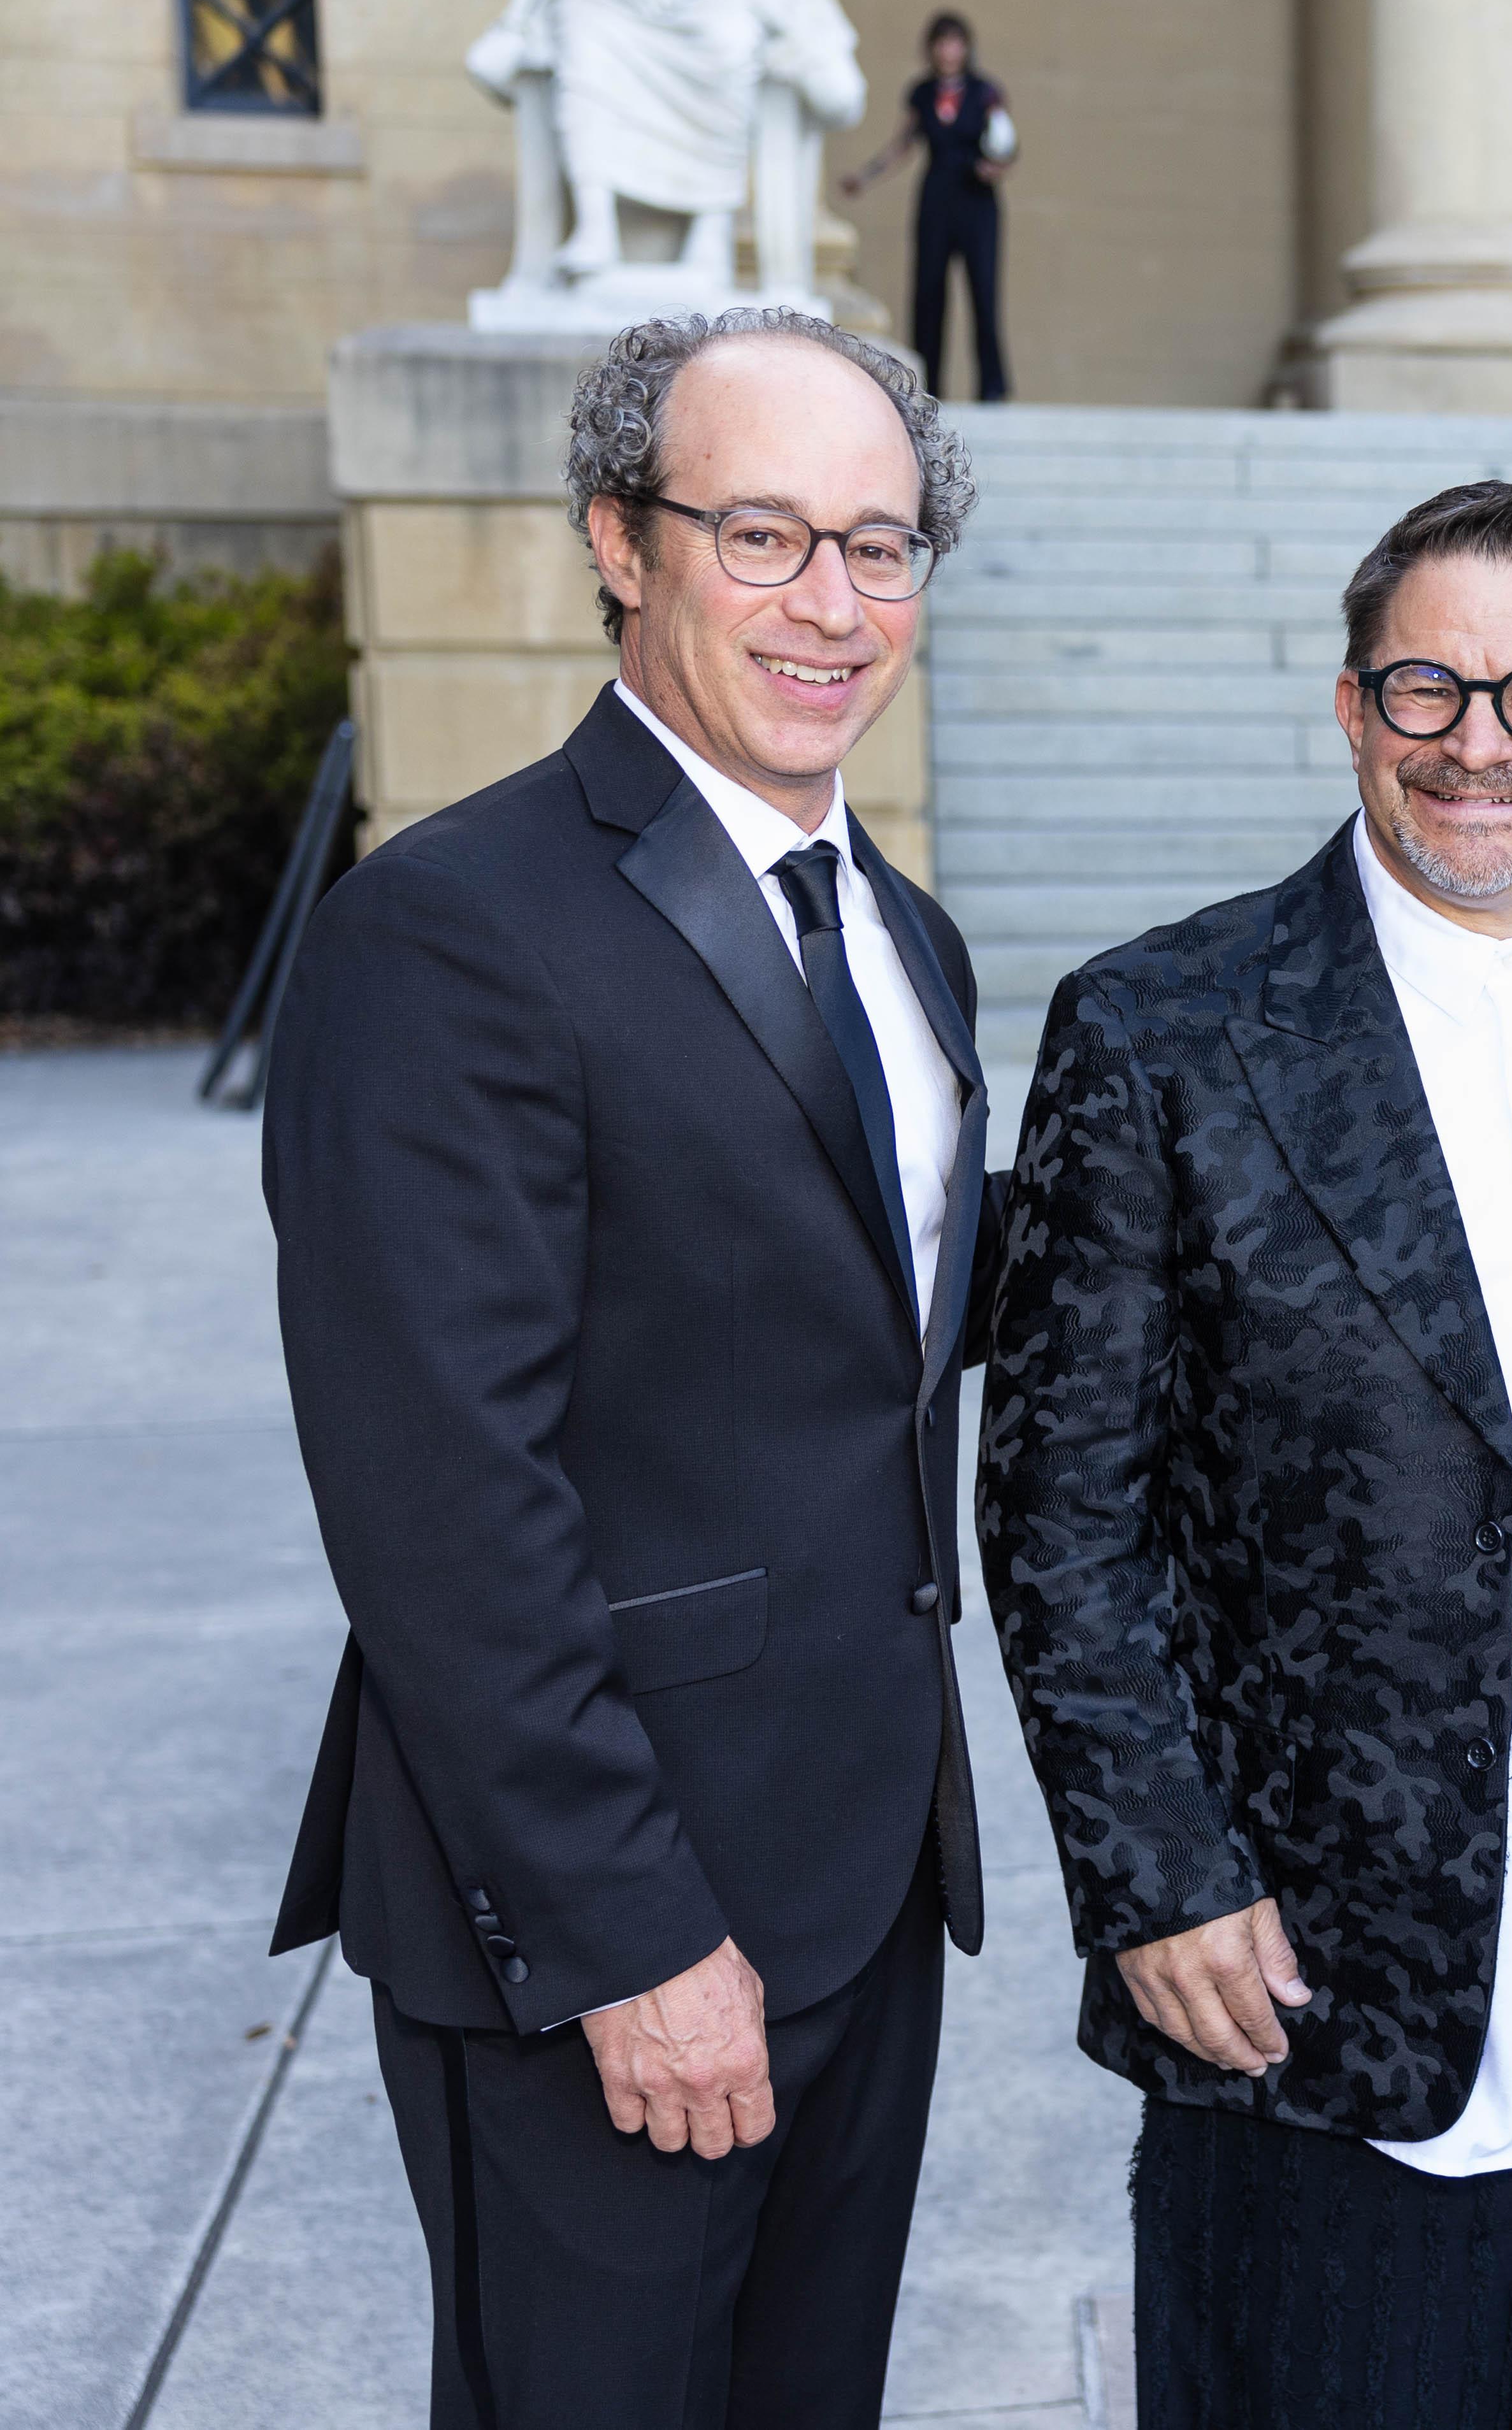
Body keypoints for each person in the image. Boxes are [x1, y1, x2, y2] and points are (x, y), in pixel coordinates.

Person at [979, 479, 1512, 2426]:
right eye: (1428, 686)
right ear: (1351, 707)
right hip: (1312, 2002)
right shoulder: (1163, 1029)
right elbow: (1060, 1508)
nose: (1481, 740)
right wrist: (1155, 1873)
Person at [263, 308, 994, 2429]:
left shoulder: (898, 928)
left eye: (879, 544)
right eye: (761, 535)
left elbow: (866, 1304)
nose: (831, 603)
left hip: (858, 1870)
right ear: (620, 537)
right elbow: (441, 1505)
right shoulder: (453, 927)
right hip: (613, 1922)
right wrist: (629, 1940)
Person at [839, 13, 1011, 402]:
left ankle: (992, 389)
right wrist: (865, 177)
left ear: (966, 47)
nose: (949, 51)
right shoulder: (923, 92)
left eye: (955, 43)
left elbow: (1005, 143)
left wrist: (996, 168)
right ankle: (929, 388)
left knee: (983, 293)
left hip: (978, 203)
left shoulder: (986, 92)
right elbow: (903, 145)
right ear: (932, 48)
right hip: (937, 199)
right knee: (929, 293)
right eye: (942, 42)